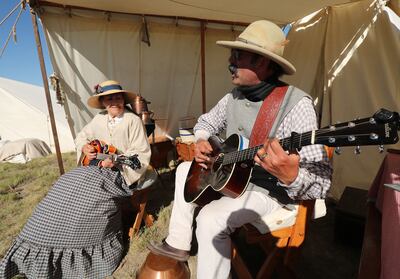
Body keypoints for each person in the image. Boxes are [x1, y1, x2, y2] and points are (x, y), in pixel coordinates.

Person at [148, 20, 332, 279]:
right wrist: (201, 139)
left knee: (210, 219)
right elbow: (206, 122)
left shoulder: (297, 105)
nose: (230, 62)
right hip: (235, 181)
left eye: (238, 56)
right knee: (183, 171)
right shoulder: (233, 96)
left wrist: (291, 176)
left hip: (270, 192)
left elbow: (320, 182)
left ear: (262, 63)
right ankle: (178, 243)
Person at [0, 80, 151, 278]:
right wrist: (84, 147)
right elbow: (82, 136)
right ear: (104, 102)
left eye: (118, 97)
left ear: (123, 99)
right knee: (65, 183)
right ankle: (39, 239)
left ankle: (80, 254)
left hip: (120, 173)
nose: (114, 101)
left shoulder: (133, 120)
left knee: (90, 198)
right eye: (109, 98)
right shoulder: (100, 119)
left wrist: (115, 160)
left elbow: (141, 154)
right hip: (94, 169)